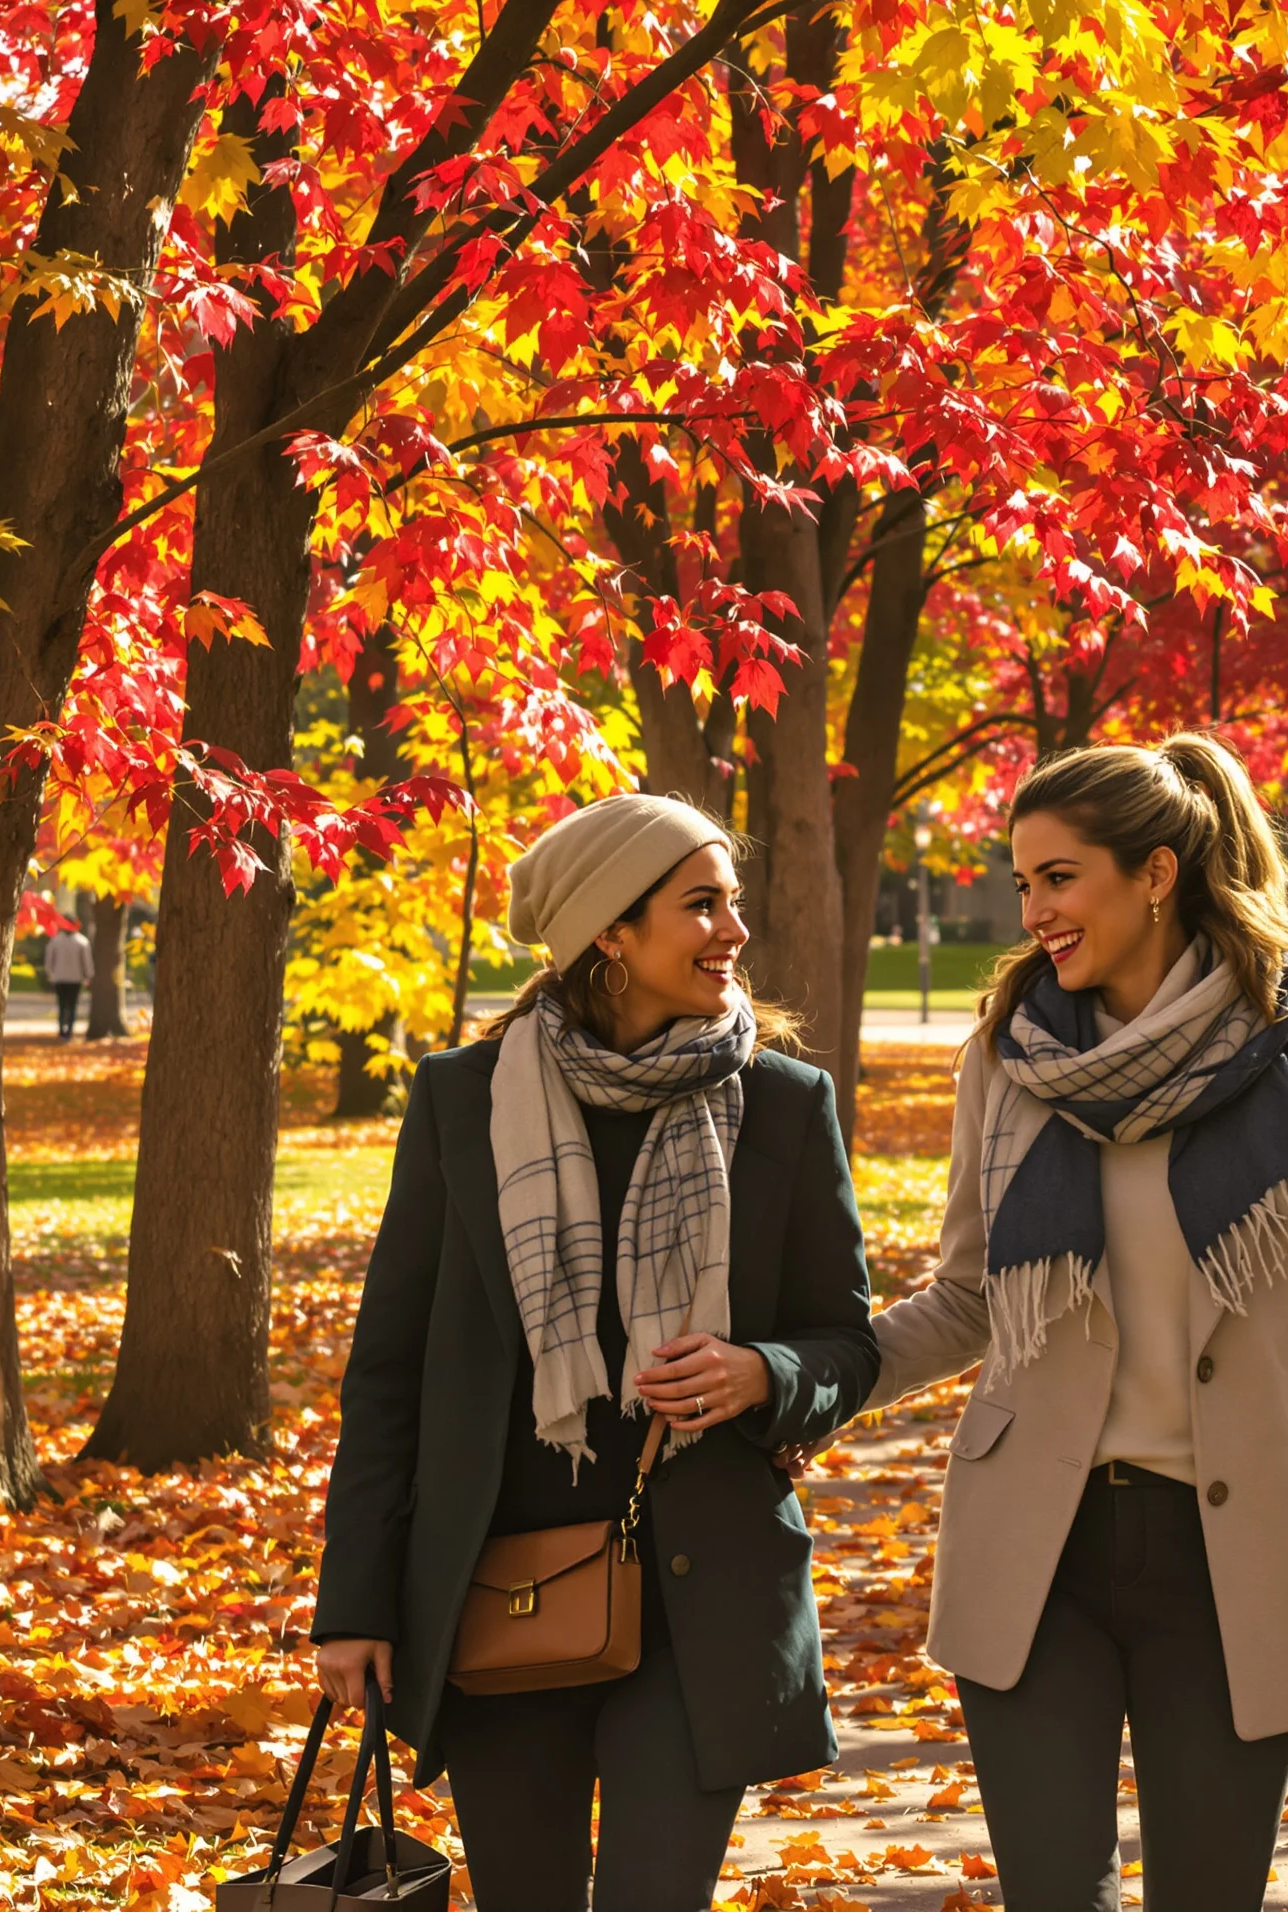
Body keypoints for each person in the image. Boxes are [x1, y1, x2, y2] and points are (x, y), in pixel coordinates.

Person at [823, 736, 1288, 1912]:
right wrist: (801, 1381)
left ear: (1156, 871)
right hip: (1038, 1546)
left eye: (1058, 877)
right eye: (1022, 883)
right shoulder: (1007, 1057)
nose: (1032, 911)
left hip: (1239, 1555)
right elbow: (968, 1297)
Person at [311, 793, 878, 1912]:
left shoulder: (782, 1103)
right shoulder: (461, 1101)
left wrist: (763, 1372)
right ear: (609, 933)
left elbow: (843, 1339)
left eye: (733, 901)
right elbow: (389, 1372)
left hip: (698, 1597)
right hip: (495, 1591)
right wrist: (355, 1598)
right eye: (700, 903)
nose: (734, 930)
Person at [42, 921, 94, 1041]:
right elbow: (87, 962)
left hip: (61, 978)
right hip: (74, 979)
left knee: (62, 1004)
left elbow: (49, 960)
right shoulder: (82, 941)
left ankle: (62, 1030)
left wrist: (50, 974)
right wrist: (88, 976)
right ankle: (68, 1030)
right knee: (72, 1005)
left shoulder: (55, 941)